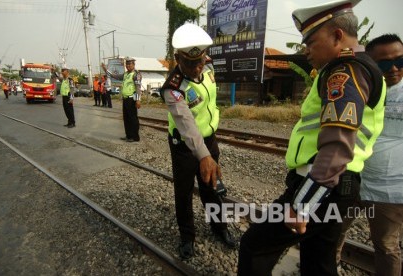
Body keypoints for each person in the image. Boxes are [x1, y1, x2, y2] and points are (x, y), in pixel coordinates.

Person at [237, 0, 387, 275]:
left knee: (254, 245)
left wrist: (302, 204)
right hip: (338, 185)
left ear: (337, 35)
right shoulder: (363, 68)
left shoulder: (345, 71)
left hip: (322, 184)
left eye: (311, 41)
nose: (305, 50)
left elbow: (338, 142)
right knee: (318, 261)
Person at [160, 23, 236, 260]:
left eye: (199, 61)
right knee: (183, 193)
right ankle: (187, 237)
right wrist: (204, 156)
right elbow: (187, 126)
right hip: (184, 146)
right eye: (189, 63)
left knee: (212, 188)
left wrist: (209, 150)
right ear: (177, 59)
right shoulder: (172, 88)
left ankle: (219, 226)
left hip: (210, 140)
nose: (196, 68)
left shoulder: (209, 66)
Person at [336, 34, 403, 276]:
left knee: (386, 247)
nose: (393, 68)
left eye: (400, 60)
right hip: (352, 180)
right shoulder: (358, 88)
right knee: (335, 232)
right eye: (384, 64)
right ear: (372, 64)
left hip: (389, 191)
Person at [101, 57, 141, 142]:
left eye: (130, 64)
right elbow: (113, 76)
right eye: (127, 64)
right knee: (126, 118)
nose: (128, 65)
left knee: (133, 119)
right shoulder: (125, 74)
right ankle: (128, 135)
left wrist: (138, 100)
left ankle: (135, 137)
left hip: (132, 99)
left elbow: (138, 88)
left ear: (134, 65)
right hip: (125, 99)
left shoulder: (136, 74)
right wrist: (105, 69)